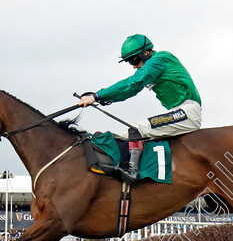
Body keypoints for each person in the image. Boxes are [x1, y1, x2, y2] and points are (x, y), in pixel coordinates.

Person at [79, 34, 202, 184]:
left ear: (146, 53)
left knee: (135, 130)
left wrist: (97, 95)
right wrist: (103, 98)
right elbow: (130, 90)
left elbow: (134, 82)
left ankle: (132, 173)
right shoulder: (151, 66)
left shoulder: (161, 59)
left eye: (134, 60)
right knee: (126, 136)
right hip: (177, 112)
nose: (133, 65)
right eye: (129, 62)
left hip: (187, 112)